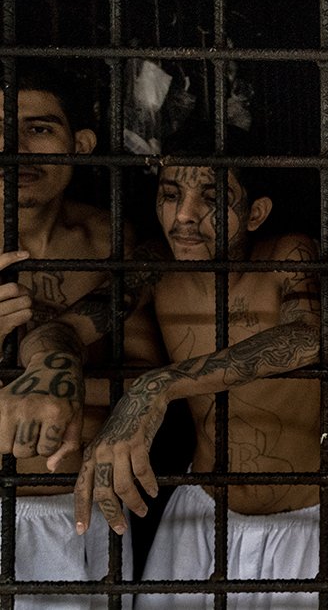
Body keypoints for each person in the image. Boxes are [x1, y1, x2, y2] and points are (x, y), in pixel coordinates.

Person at [71, 163, 328, 609]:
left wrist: (158, 385)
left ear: (255, 214)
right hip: (198, 513)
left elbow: (306, 337)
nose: (184, 216)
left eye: (212, 199)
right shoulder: (155, 267)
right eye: (171, 194)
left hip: (299, 525)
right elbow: (74, 326)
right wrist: (46, 365)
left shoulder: (288, 254)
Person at [0, 61, 162, 609]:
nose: (15, 147)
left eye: (39, 128)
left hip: (83, 507)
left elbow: (140, 363)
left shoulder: (107, 239)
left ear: (82, 142)